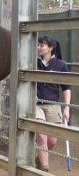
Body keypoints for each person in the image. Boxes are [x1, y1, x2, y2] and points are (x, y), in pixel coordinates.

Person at [35, 35, 71, 172]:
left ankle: (39, 158)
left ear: (51, 48)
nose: (39, 47)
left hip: (53, 105)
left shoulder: (61, 65)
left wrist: (66, 109)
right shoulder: (34, 63)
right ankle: (44, 169)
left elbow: (66, 88)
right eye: (38, 45)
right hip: (36, 105)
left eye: (42, 45)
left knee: (52, 141)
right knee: (41, 136)